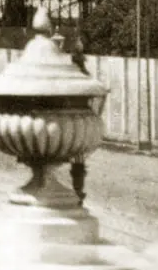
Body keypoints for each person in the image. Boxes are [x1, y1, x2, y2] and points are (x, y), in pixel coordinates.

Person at [70, 39, 89, 205]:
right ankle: (77, 191)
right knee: (79, 160)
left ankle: (78, 192)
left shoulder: (81, 77)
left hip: (76, 123)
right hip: (77, 122)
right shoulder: (82, 77)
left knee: (79, 160)